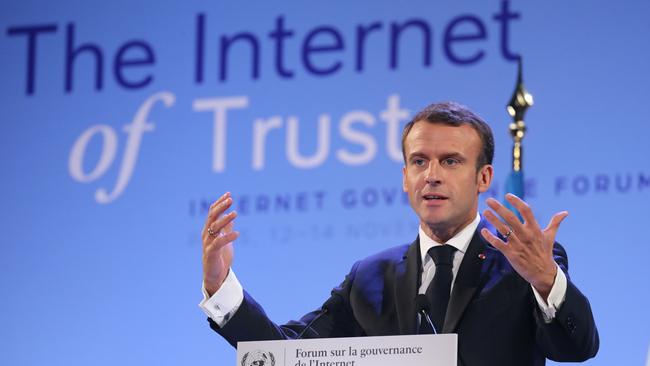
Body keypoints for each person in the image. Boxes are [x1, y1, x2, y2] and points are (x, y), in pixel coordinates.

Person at [199, 102, 599, 366]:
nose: (432, 175)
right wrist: (221, 289)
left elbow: (574, 348)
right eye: (419, 161)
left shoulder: (522, 264)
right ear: (405, 178)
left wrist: (546, 279)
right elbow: (286, 354)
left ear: (484, 177)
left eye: (451, 161)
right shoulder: (370, 277)